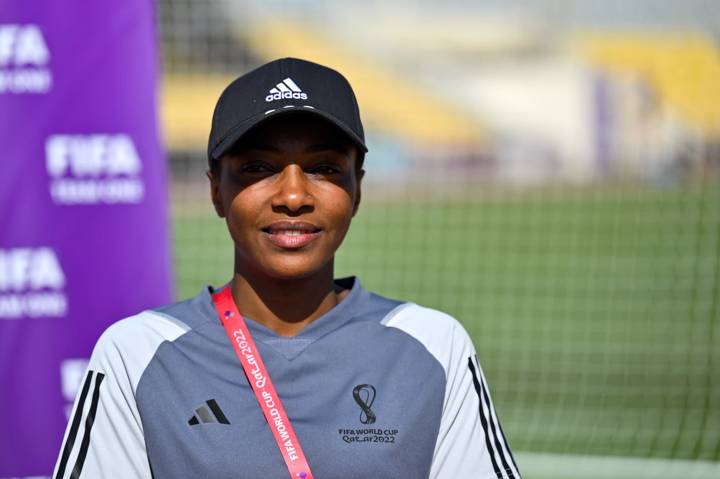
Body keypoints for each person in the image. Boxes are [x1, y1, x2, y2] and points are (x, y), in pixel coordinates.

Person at [54, 57, 521, 479]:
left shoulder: (433, 346)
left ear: (357, 188)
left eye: (324, 168)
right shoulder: (136, 353)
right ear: (216, 189)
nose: (293, 196)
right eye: (258, 167)